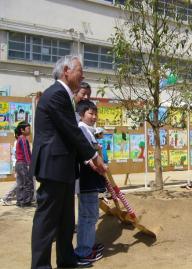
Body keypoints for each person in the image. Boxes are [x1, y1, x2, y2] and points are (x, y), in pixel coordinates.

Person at [30, 55, 107, 269]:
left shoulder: (63, 95)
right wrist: (93, 156)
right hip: (52, 166)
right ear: (66, 70)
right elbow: (71, 130)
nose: (83, 75)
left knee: (65, 220)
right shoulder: (56, 94)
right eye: (80, 70)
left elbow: (68, 134)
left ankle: (67, 260)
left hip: (63, 167)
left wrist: (87, 157)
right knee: (46, 222)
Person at [75, 100, 106, 263]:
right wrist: (97, 166)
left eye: (95, 114)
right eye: (90, 113)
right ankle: (83, 252)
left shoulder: (89, 130)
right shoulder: (81, 129)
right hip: (86, 179)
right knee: (88, 215)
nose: (94, 117)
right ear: (81, 114)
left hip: (91, 179)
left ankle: (87, 245)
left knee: (90, 214)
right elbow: (85, 155)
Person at [14, 121, 34, 207]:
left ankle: (20, 201)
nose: (29, 130)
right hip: (23, 164)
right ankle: (26, 201)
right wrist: (29, 163)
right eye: (28, 128)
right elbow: (26, 152)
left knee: (20, 183)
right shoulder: (23, 139)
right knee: (28, 182)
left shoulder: (20, 138)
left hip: (18, 163)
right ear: (22, 130)